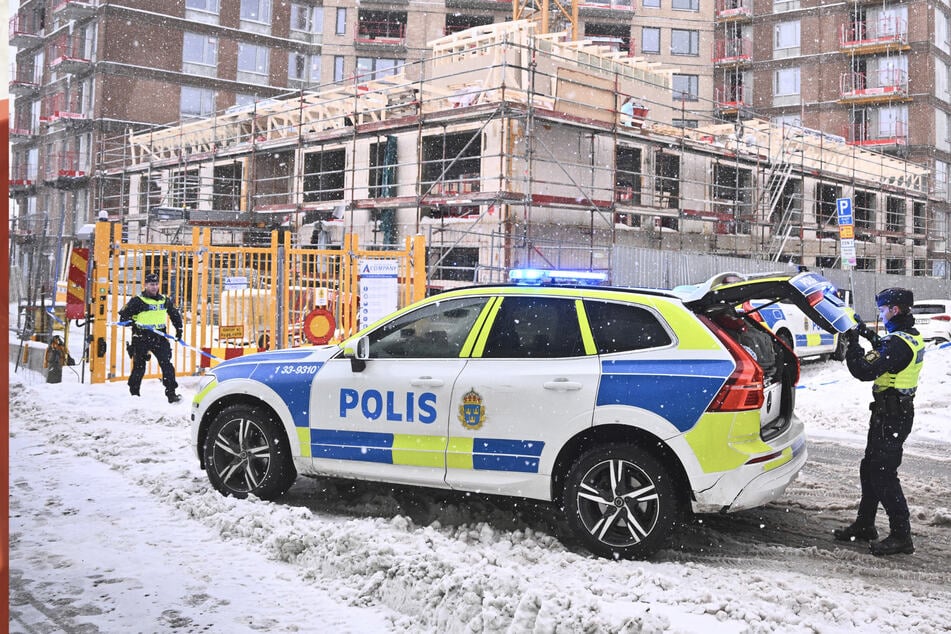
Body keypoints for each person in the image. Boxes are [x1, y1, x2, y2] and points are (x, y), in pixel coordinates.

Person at [834, 287, 924, 556]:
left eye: (883, 310)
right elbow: (886, 349)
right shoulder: (908, 337)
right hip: (891, 414)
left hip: (892, 417)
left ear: (894, 310)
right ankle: (865, 524)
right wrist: (865, 332)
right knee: (869, 468)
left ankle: (901, 536)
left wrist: (852, 343)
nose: (882, 315)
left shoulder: (897, 344)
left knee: (883, 475)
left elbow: (863, 369)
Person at [119, 273, 184, 403]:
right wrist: (131, 322)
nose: (154, 287)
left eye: (156, 284)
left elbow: (174, 314)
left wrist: (179, 329)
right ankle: (134, 393)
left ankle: (171, 394)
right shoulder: (137, 301)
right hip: (141, 337)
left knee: (167, 366)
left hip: (159, 337)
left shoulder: (164, 300)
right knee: (139, 367)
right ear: (145, 285)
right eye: (151, 284)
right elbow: (123, 317)